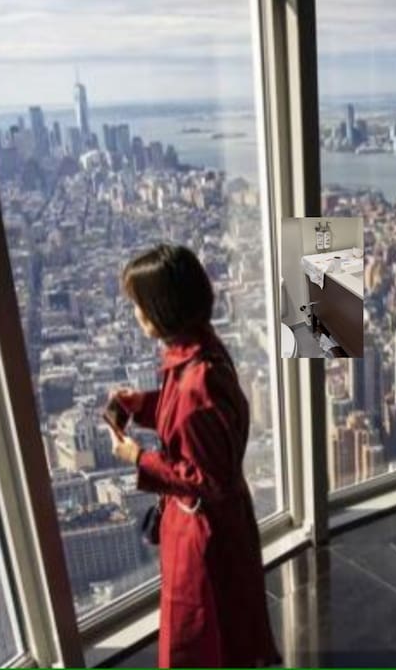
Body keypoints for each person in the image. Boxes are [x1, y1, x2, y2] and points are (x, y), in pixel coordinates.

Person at [107, 243, 280, 669]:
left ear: (160, 309)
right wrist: (145, 404)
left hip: (201, 531)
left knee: (197, 628)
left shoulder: (192, 381)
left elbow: (206, 477)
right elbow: (190, 423)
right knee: (231, 622)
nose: (134, 313)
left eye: (139, 304)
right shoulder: (200, 350)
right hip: (223, 522)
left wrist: (138, 458)